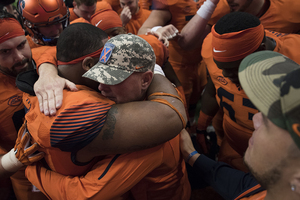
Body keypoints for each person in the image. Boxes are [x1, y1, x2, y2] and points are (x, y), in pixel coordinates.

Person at [21, 25, 190, 199]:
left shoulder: (151, 133)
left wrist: (32, 170)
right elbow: (55, 50)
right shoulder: (134, 57)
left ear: (146, 79)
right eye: (99, 76)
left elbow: (83, 194)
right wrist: (47, 71)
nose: (101, 87)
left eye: (113, 79)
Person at [180, 50, 300, 200]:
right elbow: (243, 185)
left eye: (269, 123)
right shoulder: (274, 184)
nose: (255, 119)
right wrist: (191, 154)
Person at [196, 12, 300, 172]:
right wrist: (201, 126)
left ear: (262, 50)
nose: (225, 74)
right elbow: (213, 87)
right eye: (222, 67)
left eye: (234, 69)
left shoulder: (295, 55)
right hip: (231, 147)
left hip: (280, 158)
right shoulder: (211, 44)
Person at [0, 10, 47, 200]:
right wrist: (14, 160)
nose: (19, 57)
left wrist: (48, 70)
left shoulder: (40, 51)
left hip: (73, 166)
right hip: (29, 179)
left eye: (21, 45)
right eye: (5, 52)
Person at [138, 0, 207, 123]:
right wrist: (156, 29)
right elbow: (143, 30)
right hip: (178, 64)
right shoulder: (171, 3)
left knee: (194, 102)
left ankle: (192, 126)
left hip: (201, 62)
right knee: (180, 105)